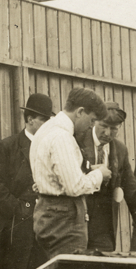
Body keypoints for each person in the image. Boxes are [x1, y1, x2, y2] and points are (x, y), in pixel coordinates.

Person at [29, 87, 110, 258]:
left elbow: (50, 174)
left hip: (46, 212)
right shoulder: (62, 137)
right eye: (92, 120)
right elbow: (74, 187)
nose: (91, 126)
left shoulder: (46, 129)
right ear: (80, 112)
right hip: (64, 220)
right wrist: (99, 175)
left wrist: (87, 171)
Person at [0, 93, 52, 269]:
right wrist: (18, 208)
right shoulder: (8, 146)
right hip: (13, 227)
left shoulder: (50, 148)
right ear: (30, 119)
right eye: (44, 120)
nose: (48, 125)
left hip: (43, 225)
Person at [76, 101, 136, 251]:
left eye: (114, 129)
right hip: (77, 222)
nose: (107, 133)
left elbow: (131, 190)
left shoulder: (121, 150)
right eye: (103, 126)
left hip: (104, 227)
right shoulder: (76, 142)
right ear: (94, 122)